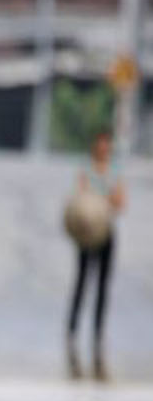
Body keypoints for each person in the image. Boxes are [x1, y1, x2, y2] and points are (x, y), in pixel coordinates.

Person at [67, 128, 124, 379]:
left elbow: (121, 202)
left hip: (106, 235)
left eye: (106, 145)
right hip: (87, 234)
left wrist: (108, 201)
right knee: (81, 284)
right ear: (95, 147)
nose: (103, 148)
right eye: (100, 144)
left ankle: (97, 337)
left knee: (102, 288)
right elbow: (80, 197)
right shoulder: (87, 170)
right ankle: (72, 332)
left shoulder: (114, 171)